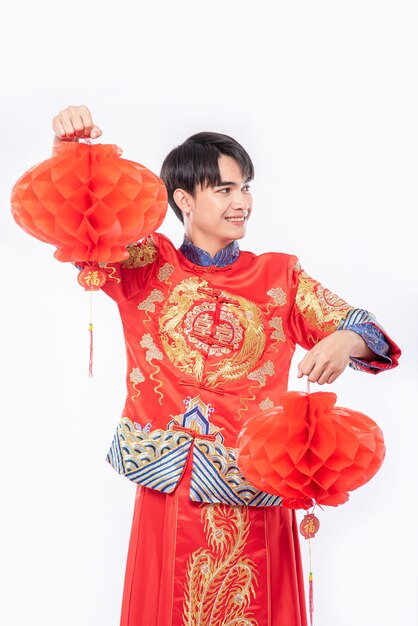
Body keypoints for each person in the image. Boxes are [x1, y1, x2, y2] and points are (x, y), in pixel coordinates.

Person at [52, 105, 400, 626]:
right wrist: (70, 149)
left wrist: (345, 339)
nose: (242, 202)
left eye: (245, 188)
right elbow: (83, 223)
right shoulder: (147, 264)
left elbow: (367, 331)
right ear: (184, 200)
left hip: (254, 484)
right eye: (224, 189)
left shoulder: (279, 276)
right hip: (169, 482)